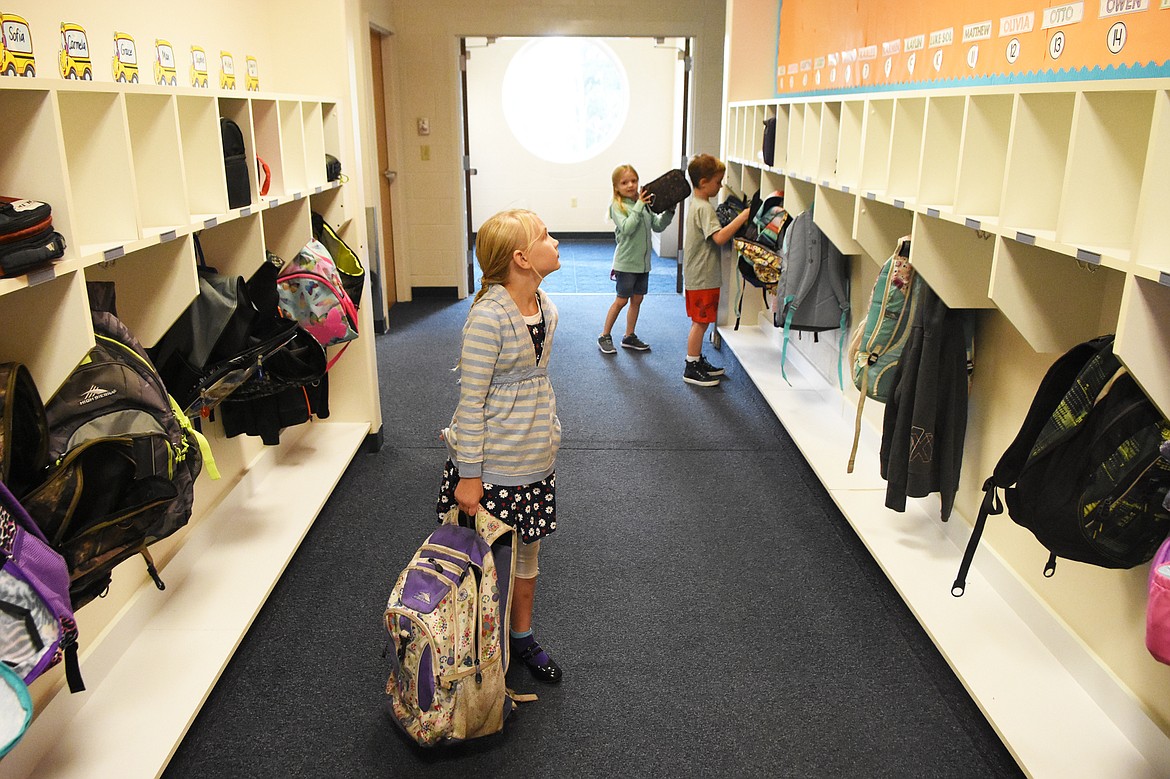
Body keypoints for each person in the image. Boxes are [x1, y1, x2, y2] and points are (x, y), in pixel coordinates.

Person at [436, 208, 564, 684]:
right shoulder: (489, 319)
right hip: (492, 470)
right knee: (492, 567)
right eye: (546, 236)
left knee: (528, 556)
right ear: (521, 258)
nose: (555, 242)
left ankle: (521, 637)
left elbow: (535, 382)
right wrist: (470, 473)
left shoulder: (544, 306)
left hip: (533, 458)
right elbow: (471, 403)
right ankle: (482, 657)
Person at [681, 153, 751, 387]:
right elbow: (719, 237)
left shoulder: (700, 205)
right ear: (703, 183)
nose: (720, 185)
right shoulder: (704, 208)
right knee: (700, 322)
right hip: (702, 277)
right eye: (717, 181)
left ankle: (697, 359)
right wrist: (743, 217)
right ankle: (691, 366)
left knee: (702, 320)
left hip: (701, 275)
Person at [597, 164, 675, 354]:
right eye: (624, 182)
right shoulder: (617, 206)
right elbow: (628, 228)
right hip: (626, 263)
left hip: (643, 264)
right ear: (616, 187)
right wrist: (640, 205)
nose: (630, 185)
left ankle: (629, 336)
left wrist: (669, 212)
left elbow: (656, 226)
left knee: (637, 299)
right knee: (621, 300)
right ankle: (604, 335)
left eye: (634, 181)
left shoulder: (644, 205)